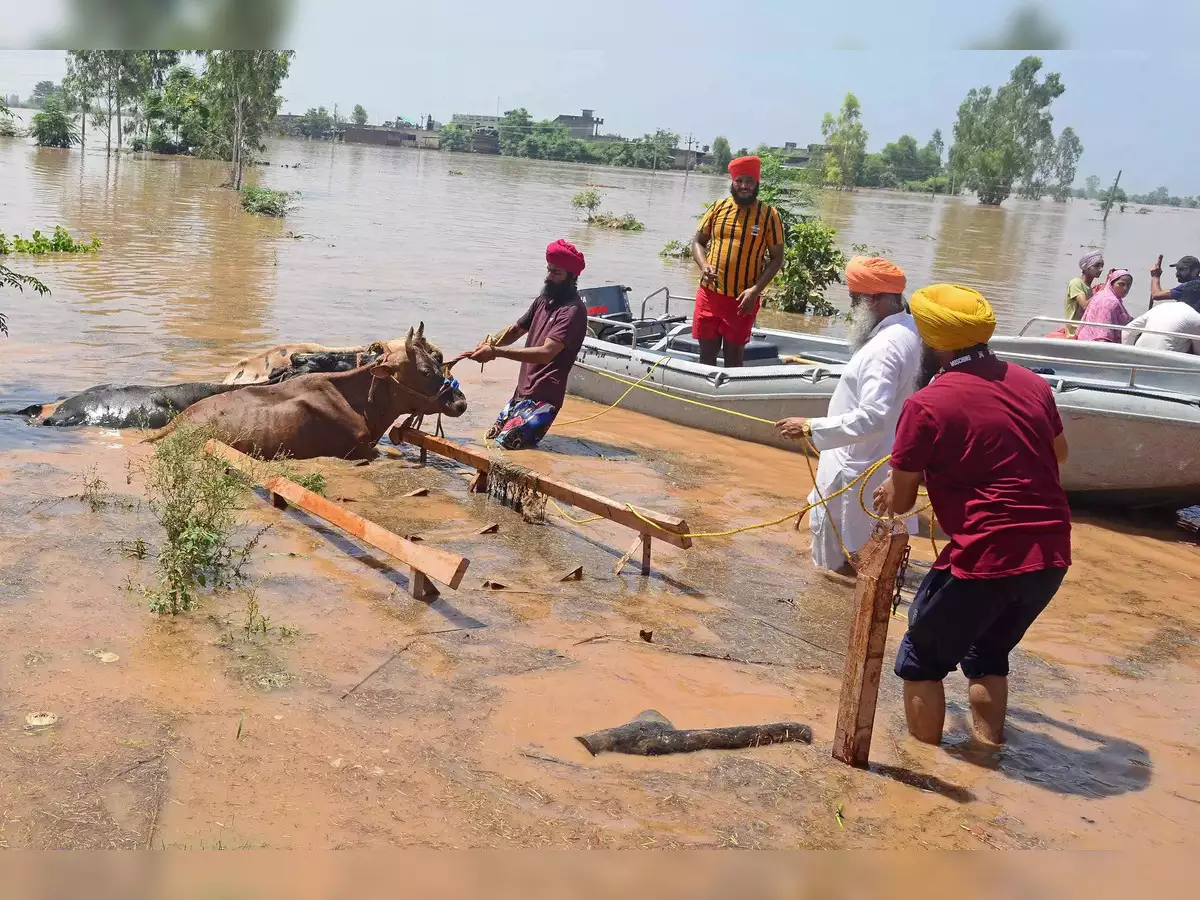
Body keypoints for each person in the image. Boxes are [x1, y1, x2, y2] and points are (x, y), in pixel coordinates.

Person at [873, 284, 1072, 747]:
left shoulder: (926, 404)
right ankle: (989, 754)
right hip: (1050, 554)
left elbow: (900, 504)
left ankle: (925, 771)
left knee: (922, 658)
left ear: (935, 343)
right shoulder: (1033, 383)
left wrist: (898, 483)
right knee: (988, 653)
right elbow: (1059, 453)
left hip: (986, 555)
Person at [774, 257, 920, 577]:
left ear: (875, 301)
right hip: (880, 464)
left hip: (857, 472)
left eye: (855, 299)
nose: (852, 308)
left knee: (838, 568)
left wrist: (811, 426)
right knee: (875, 561)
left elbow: (872, 417)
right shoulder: (910, 329)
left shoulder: (884, 348)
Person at [467, 239, 588, 449]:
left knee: (506, 448)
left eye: (556, 273)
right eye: (549, 270)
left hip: (544, 397)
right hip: (522, 391)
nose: (549, 277)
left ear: (572, 277)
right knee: (491, 440)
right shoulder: (543, 300)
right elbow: (516, 330)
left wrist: (496, 352)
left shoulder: (572, 311)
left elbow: (546, 353)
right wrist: (489, 343)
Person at [690, 155, 785, 367]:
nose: (744, 186)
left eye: (749, 181)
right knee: (706, 357)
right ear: (732, 182)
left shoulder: (769, 215)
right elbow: (698, 241)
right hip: (709, 295)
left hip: (743, 300)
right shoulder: (718, 207)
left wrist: (755, 291)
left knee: (733, 359)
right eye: (739, 180)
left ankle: (729, 399)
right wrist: (704, 265)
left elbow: (777, 259)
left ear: (757, 184)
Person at [1121, 275, 1200, 354]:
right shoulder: (1196, 318)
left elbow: (1127, 331)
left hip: (1139, 357)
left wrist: (1129, 355)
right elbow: (1198, 353)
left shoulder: (1161, 307)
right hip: (1165, 362)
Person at [1075, 269, 1134, 343]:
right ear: (1111, 283)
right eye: (1121, 284)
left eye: (1128, 285)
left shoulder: (1101, 295)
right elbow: (1103, 335)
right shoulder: (1110, 302)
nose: (1125, 288)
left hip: (1084, 339)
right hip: (1095, 346)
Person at [1063, 249, 1104, 336]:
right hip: (1075, 330)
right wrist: (1100, 292)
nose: (1101, 269)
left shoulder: (1089, 288)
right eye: (1096, 266)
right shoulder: (1076, 283)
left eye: (1102, 266)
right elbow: (1085, 305)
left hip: (1085, 328)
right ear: (1086, 267)